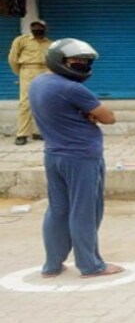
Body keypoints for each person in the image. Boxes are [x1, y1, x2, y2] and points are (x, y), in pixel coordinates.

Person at [29, 38, 123, 278]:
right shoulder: (73, 89)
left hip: (54, 154)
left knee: (58, 210)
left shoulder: (38, 82)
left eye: (84, 61)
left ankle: (52, 264)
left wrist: (84, 113)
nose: (81, 65)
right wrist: (91, 114)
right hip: (81, 157)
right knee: (85, 211)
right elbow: (108, 117)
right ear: (59, 61)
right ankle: (90, 265)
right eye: (76, 61)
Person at [7, 20, 52, 145]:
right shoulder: (21, 40)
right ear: (31, 28)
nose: (37, 28)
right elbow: (13, 59)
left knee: (43, 102)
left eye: (40, 26)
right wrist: (21, 73)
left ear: (45, 28)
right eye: (34, 26)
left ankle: (39, 132)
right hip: (28, 71)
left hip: (45, 71)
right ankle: (22, 134)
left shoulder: (50, 44)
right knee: (25, 103)